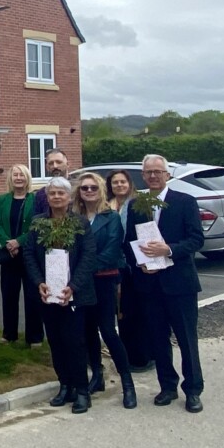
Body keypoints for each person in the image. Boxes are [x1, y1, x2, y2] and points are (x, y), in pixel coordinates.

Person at [125, 154, 206, 413]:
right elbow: (129, 241)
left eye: (157, 171)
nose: (153, 176)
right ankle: (167, 386)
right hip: (149, 284)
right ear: (143, 175)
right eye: (148, 172)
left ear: (167, 174)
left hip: (180, 284)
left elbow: (196, 239)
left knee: (186, 340)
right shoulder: (137, 205)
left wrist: (168, 249)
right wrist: (139, 262)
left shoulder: (185, 202)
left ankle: (193, 390)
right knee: (158, 339)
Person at [23, 176, 98, 413]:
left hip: (74, 294)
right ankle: (65, 385)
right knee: (55, 341)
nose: (56, 197)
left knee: (74, 342)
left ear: (69, 197)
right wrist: (39, 282)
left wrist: (73, 286)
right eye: (52, 193)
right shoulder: (38, 222)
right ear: (47, 197)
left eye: (61, 193)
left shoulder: (80, 223)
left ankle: (82, 390)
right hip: (47, 294)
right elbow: (29, 254)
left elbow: (88, 256)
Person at [75, 172, 136, 409]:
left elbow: (111, 252)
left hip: (103, 280)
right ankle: (97, 375)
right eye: (84, 188)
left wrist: (81, 270)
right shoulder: (75, 218)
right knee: (87, 331)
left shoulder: (111, 218)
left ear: (101, 190)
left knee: (108, 331)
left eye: (93, 187)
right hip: (82, 284)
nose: (89, 191)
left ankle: (128, 384)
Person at [0, 163, 41, 347]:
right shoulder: (3, 199)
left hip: (29, 255)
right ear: (10, 178)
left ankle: (34, 337)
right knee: (9, 296)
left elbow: (37, 225)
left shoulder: (35, 199)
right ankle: (9, 333)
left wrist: (19, 242)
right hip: (9, 256)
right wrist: (8, 243)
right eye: (15, 175)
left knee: (32, 297)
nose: (18, 178)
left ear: (27, 178)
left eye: (22, 175)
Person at [108, 169, 151, 371]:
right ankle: (126, 355)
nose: (119, 185)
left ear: (129, 183)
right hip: (114, 265)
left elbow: (145, 234)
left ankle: (142, 356)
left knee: (138, 312)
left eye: (122, 181)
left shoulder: (138, 204)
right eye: (115, 182)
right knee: (121, 313)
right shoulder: (106, 206)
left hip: (135, 265)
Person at [33, 148, 69, 215]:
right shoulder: (41, 194)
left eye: (59, 162)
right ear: (47, 167)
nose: (55, 166)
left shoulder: (80, 190)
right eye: (51, 163)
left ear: (67, 164)